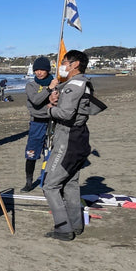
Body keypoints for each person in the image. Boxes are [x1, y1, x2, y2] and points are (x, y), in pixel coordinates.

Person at [42, 50, 106, 241]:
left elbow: (67, 114)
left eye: (64, 62)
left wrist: (50, 109)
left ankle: (63, 229)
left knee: (50, 186)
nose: (61, 65)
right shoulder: (83, 84)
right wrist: (55, 98)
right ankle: (76, 224)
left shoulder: (75, 84)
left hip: (69, 138)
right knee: (70, 183)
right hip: (79, 138)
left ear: (75, 64)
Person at [21, 57, 58, 192]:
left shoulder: (56, 84)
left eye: (42, 69)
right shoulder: (31, 86)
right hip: (37, 123)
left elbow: (58, 103)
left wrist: (53, 100)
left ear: (47, 70)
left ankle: (50, 181)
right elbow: (36, 101)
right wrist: (49, 90)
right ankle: (29, 182)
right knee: (31, 154)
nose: (39, 72)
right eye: (36, 70)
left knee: (52, 153)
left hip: (53, 122)